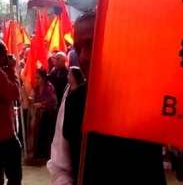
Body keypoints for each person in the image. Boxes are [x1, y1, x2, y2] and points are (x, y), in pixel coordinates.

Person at [49, 11, 166, 185]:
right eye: (78, 48)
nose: (83, 56)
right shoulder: (72, 102)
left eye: (92, 44)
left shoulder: (150, 97)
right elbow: (60, 168)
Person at [47, 67, 85, 185]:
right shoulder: (67, 89)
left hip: (72, 134)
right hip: (65, 130)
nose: (68, 76)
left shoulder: (79, 93)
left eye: (70, 74)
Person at [0, 40, 21, 185]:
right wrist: (12, 70)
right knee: (14, 176)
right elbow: (14, 93)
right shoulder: (1, 75)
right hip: (4, 136)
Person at [27, 68, 57, 162]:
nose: (36, 80)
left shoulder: (49, 87)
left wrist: (42, 104)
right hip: (37, 114)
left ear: (43, 78)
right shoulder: (36, 88)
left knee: (43, 132)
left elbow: (53, 101)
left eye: (38, 78)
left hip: (47, 114)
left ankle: (43, 154)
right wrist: (31, 98)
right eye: (36, 78)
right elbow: (32, 97)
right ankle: (36, 152)